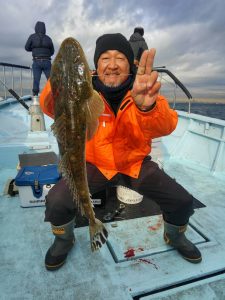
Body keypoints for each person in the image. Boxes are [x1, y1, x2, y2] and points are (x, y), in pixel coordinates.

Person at [40, 33, 202, 271]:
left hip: (134, 163)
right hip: (96, 164)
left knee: (182, 202)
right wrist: (57, 80)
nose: (112, 64)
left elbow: (167, 125)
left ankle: (175, 236)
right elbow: (50, 106)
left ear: (130, 64)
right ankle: (64, 239)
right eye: (105, 58)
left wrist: (147, 107)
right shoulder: (82, 92)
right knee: (56, 201)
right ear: (95, 65)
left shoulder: (143, 88)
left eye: (120, 58)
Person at [25, 21, 54, 96]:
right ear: (44, 28)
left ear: (36, 28)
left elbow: (26, 48)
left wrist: (34, 49)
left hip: (37, 61)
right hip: (47, 61)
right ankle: (53, 96)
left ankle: (35, 97)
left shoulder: (32, 36)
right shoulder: (48, 38)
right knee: (51, 80)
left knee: (36, 80)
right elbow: (52, 51)